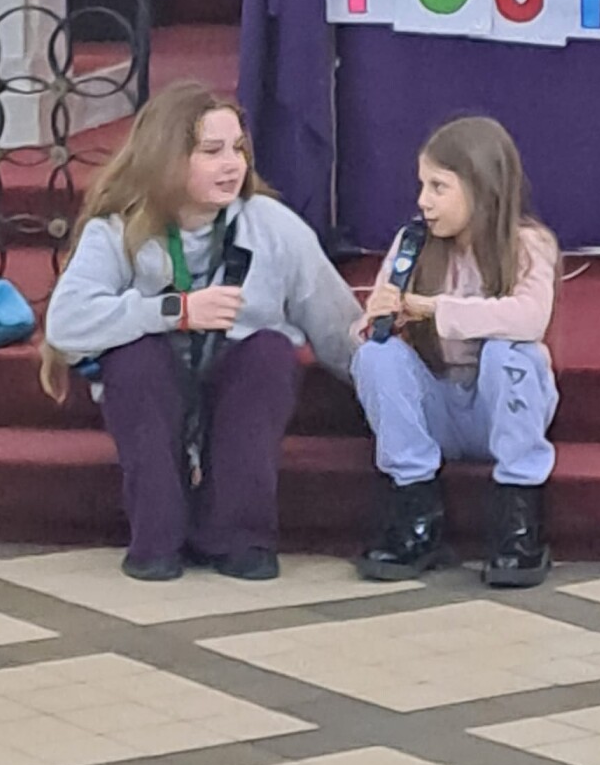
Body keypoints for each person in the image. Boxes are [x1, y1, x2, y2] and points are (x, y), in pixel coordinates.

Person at [42, 81, 362, 583]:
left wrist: (397, 390)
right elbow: (65, 324)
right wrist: (177, 311)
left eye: (238, 149)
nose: (232, 165)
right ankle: (157, 538)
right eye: (212, 151)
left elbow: (338, 328)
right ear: (166, 156)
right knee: (135, 359)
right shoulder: (118, 228)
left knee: (269, 351)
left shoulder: (272, 225)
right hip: (157, 383)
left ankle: (238, 537)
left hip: (235, 381)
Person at [352, 116, 560, 588]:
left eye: (438, 187)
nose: (423, 200)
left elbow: (530, 319)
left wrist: (432, 308)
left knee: (510, 353)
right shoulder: (412, 243)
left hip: (498, 409)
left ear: (482, 188)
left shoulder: (529, 244)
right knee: (376, 356)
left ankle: (518, 523)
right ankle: (416, 513)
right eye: (422, 185)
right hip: (439, 408)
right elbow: (368, 329)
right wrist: (378, 322)